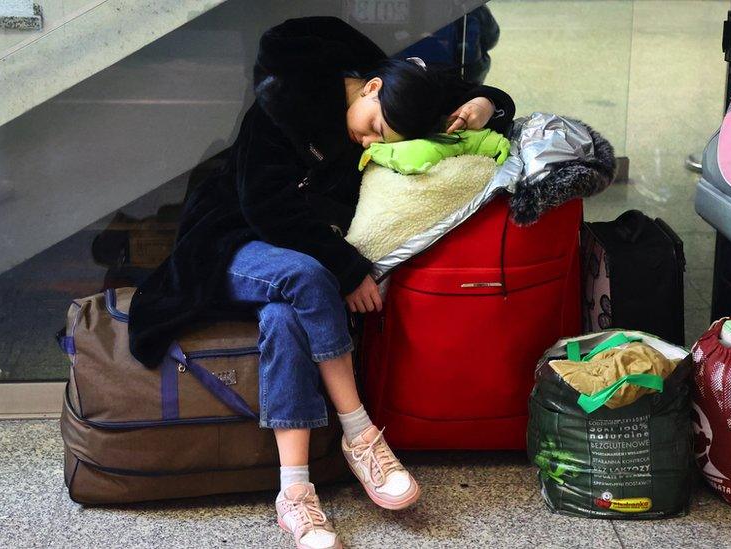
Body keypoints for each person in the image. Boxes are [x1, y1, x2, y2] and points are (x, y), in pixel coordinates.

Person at [127, 16, 515, 549]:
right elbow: (265, 206)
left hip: (289, 265)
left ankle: (294, 495)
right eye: (376, 127)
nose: (370, 141)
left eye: (384, 140)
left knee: (287, 316)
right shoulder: (283, 104)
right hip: (227, 244)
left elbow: (470, 93)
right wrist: (348, 267)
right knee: (310, 276)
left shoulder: (395, 88)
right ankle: (360, 435)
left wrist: (486, 105)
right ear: (372, 87)